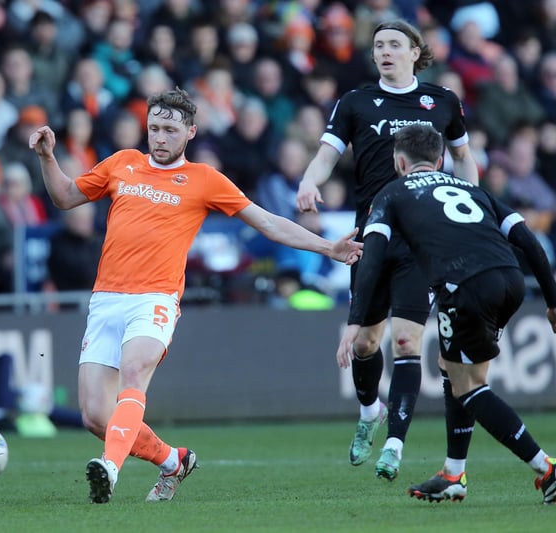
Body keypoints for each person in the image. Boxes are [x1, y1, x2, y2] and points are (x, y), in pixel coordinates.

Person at [29, 87, 363, 504]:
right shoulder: (122, 164)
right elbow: (64, 197)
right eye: (154, 128)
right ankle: (173, 461)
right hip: (106, 299)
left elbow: (270, 223)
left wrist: (326, 246)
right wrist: (46, 158)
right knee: (96, 416)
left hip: (155, 300)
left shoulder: (204, 179)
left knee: (134, 374)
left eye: (170, 129)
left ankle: (109, 469)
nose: (160, 137)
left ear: (190, 132)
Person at [296, 19, 480, 482]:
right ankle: (368, 410)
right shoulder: (356, 101)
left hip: (422, 239)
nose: (385, 51)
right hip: (371, 234)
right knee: (364, 343)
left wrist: (470, 204)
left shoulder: (442, 101)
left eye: (395, 44)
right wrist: (307, 180)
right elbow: (326, 154)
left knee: (406, 341)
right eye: (378, 45)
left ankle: (395, 446)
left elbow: (463, 156)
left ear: (416, 51)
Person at [337, 123, 556, 505]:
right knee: (457, 369)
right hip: (510, 281)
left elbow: (370, 260)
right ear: (440, 160)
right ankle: (454, 472)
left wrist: (355, 320)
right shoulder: (472, 189)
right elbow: (527, 239)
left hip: (466, 287)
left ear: (398, 161)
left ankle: (546, 467)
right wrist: (553, 301)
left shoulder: (391, 193)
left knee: (468, 387)